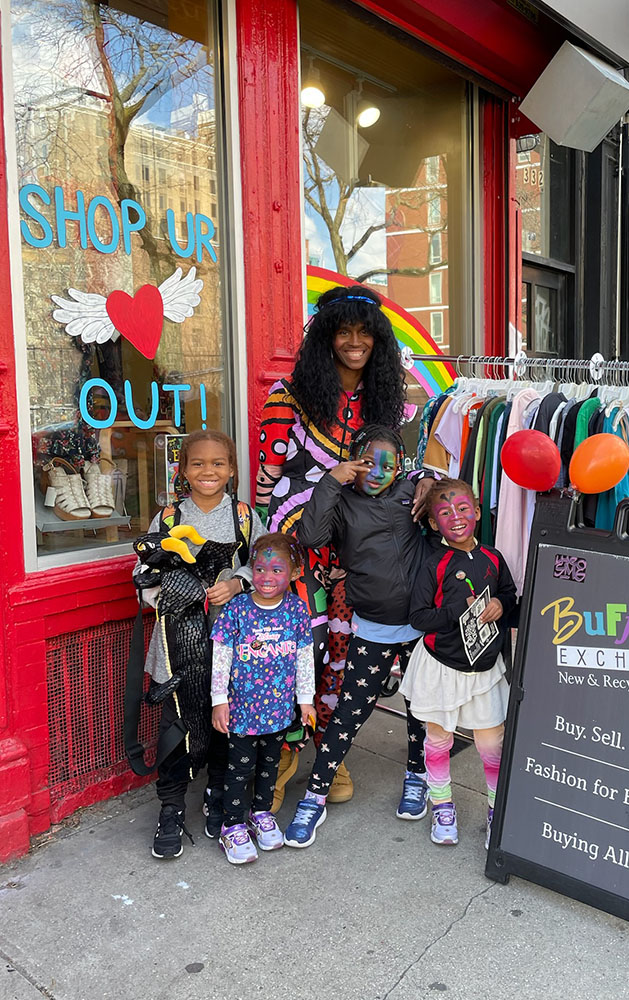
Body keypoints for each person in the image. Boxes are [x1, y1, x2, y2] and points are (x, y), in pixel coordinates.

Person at [256, 284, 412, 807]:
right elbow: (264, 489)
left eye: (364, 332)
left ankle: (330, 750)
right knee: (290, 654)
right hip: (301, 552)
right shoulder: (288, 400)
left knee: (341, 659)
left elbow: (398, 474)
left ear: (379, 341)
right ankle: (279, 758)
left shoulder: (387, 403)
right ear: (326, 338)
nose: (353, 342)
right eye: (343, 331)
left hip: (357, 558)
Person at [281, 425, 433, 848]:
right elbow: (309, 536)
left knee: (420, 707)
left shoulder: (412, 493)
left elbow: (454, 508)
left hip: (421, 624)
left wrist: (428, 479)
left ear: (401, 467)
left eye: (389, 464)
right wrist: (332, 481)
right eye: (368, 461)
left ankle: (418, 775)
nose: (378, 471)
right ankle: (314, 797)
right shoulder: (342, 501)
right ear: (352, 461)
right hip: (375, 626)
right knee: (349, 714)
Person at [135, 430, 266, 859]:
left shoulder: (244, 517)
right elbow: (143, 579)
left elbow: (264, 565)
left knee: (224, 718)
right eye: (198, 464)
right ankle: (171, 807)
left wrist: (236, 582)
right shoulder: (168, 520)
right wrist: (172, 592)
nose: (208, 472)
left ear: (231, 470)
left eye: (218, 464)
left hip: (232, 643)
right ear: (183, 470)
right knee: (177, 724)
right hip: (176, 643)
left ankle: (218, 793)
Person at [400, 478, 517, 849]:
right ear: (433, 523)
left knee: (491, 744)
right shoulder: (433, 564)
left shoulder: (494, 559)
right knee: (437, 739)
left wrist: (501, 604)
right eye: (445, 512)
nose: (456, 517)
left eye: (463, 508)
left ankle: (497, 811)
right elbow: (418, 618)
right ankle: (442, 806)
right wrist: (455, 611)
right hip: (441, 668)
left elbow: (509, 596)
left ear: (478, 512)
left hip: (485, 670)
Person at [210, 533, 315, 863]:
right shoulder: (237, 609)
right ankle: (231, 826)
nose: (267, 577)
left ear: (294, 573)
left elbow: (304, 657)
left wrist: (306, 699)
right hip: (241, 711)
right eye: (260, 569)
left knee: (269, 766)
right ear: (250, 570)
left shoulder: (297, 610)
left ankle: (260, 814)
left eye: (276, 570)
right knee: (239, 770)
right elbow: (221, 655)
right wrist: (218, 700)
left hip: (279, 710)